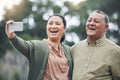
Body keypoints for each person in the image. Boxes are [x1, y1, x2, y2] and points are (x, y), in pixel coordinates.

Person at [5, 14, 73, 80]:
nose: (53, 26)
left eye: (57, 24)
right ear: (46, 28)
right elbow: (22, 45)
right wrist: (11, 36)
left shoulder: (68, 50)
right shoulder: (38, 47)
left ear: (64, 29)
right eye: (50, 23)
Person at [71, 10, 120, 80]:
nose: (91, 23)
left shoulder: (115, 51)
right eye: (89, 20)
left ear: (106, 27)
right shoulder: (75, 48)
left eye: (96, 21)